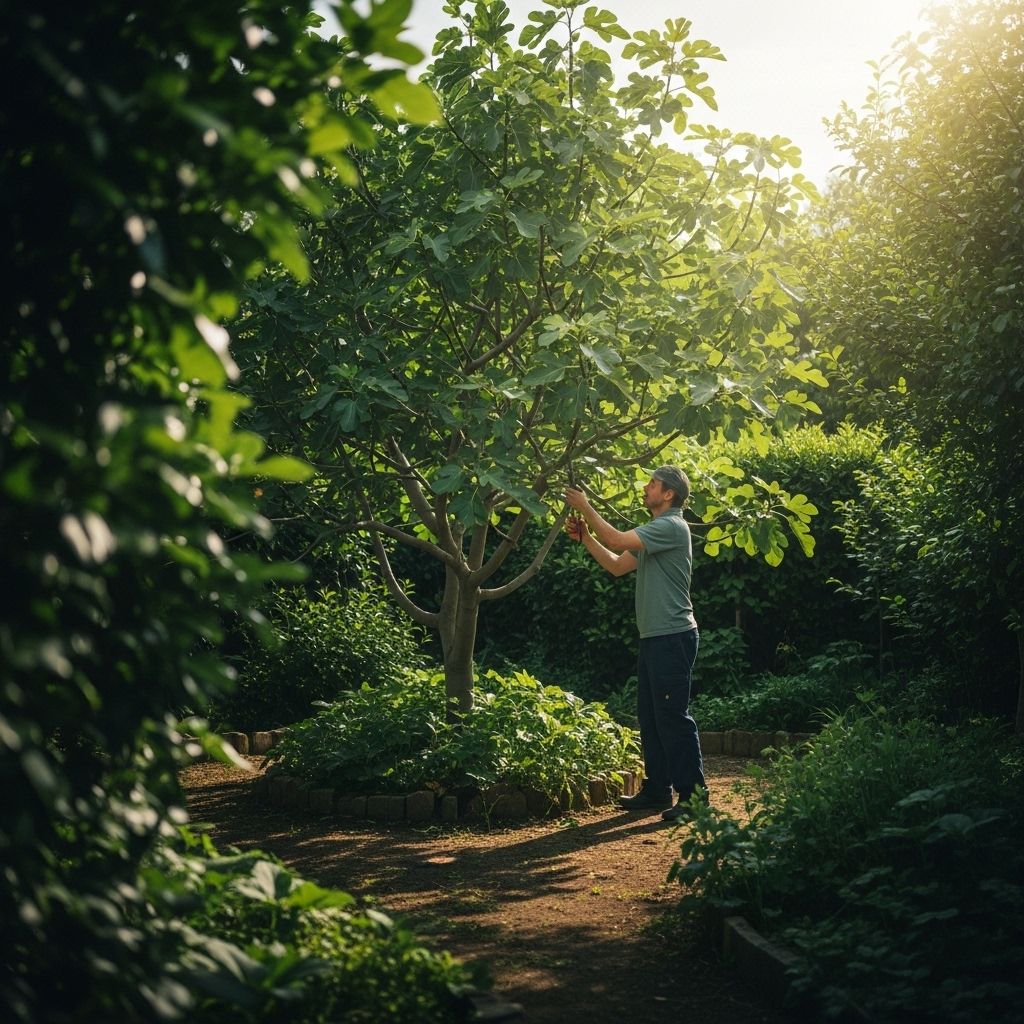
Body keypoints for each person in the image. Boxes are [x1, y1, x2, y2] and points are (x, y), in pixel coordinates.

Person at [565, 467, 708, 822]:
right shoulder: (655, 534)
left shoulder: (672, 526)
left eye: (653, 484)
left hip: (672, 636)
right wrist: (586, 538)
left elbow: (615, 540)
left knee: (673, 718)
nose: (646, 488)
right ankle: (658, 789)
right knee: (651, 717)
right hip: (656, 638)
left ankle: (694, 800)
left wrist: (585, 507)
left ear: (669, 494)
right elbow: (616, 564)